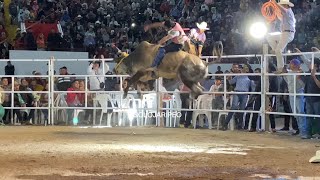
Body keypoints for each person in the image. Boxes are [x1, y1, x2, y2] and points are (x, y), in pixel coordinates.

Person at [266, 0, 296, 74]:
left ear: (285, 5)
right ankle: (275, 49)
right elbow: (280, 15)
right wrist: (275, 8)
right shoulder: (285, 15)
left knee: (278, 50)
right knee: (269, 36)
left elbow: (284, 11)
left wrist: (275, 4)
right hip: (284, 33)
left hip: (288, 34)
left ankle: (281, 68)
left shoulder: (288, 11)